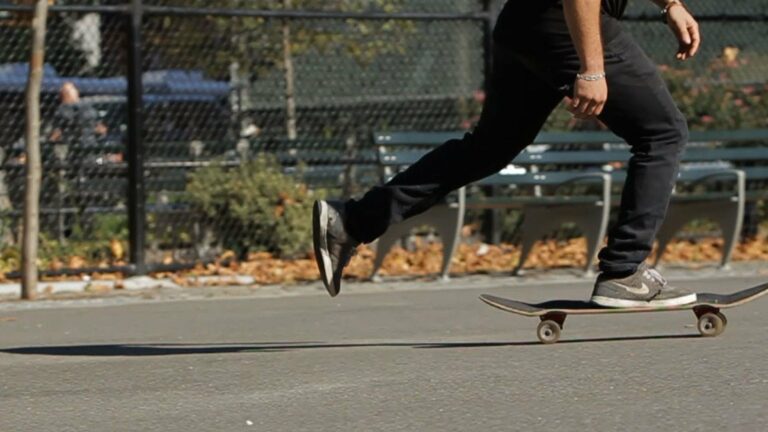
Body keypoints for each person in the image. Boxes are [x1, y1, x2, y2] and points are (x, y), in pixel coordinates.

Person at [312, 0, 701, 308]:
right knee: (663, 133)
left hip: (524, 24)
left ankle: (351, 222)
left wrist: (670, 5)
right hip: (566, 19)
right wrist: (593, 69)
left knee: (487, 149)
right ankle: (623, 271)